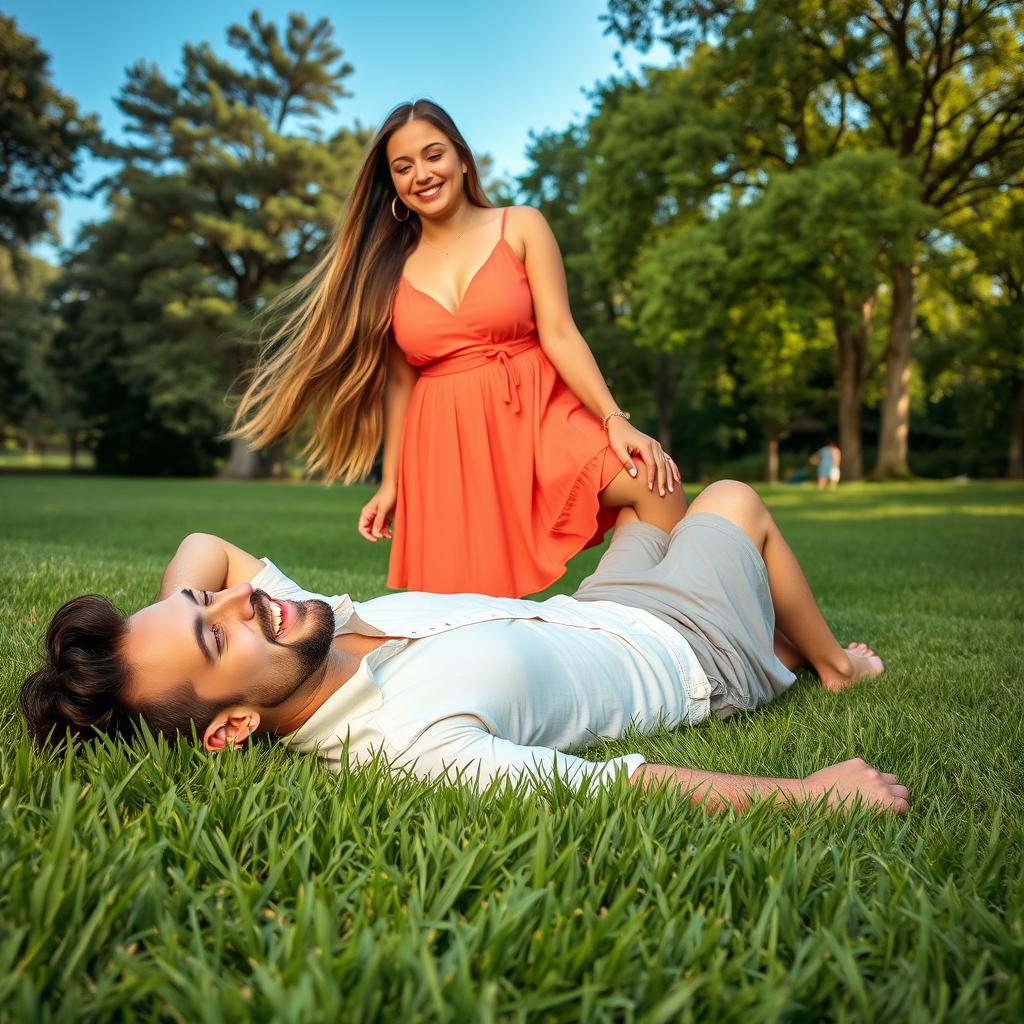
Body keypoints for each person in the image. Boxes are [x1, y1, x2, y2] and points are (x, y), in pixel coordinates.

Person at [20, 481, 905, 814]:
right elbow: (623, 785)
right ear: (230, 730)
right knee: (734, 501)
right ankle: (829, 666)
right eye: (218, 631)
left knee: (642, 506)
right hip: (685, 652)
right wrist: (813, 794)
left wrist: (165, 627)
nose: (245, 598)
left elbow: (207, 546)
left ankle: (770, 619)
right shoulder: (405, 746)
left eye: (210, 602)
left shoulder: (296, 626)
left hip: (594, 607)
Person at [229, 99, 684, 598]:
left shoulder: (522, 225)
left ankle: (664, 623)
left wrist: (613, 418)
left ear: (462, 159)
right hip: (447, 436)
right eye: (403, 167)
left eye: (433, 155)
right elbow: (400, 382)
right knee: (466, 610)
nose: (421, 174)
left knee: (651, 482)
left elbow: (560, 332)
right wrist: (393, 481)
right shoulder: (387, 270)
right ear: (393, 184)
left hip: (538, 410)